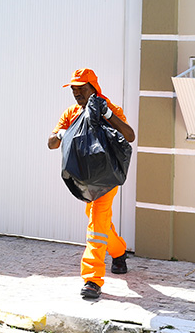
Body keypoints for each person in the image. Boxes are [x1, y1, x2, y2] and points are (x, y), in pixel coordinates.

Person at [47, 68, 135, 299]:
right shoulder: (72, 113)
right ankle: (119, 251)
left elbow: (129, 136)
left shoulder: (109, 108)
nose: (76, 93)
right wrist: (60, 134)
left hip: (106, 177)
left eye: (81, 88)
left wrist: (108, 115)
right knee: (100, 222)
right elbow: (51, 144)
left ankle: (92, 280)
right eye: (73, 89)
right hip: (83, 178)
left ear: (93, 87)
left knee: (96, 225)